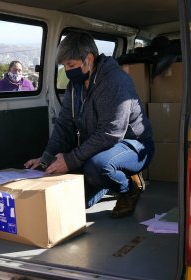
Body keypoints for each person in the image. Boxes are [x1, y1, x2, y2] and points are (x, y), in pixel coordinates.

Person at [24, 31, 155, 218]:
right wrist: (47, 158)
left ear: (89, 59)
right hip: (101, 147)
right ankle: (104, 180)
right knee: (77, 201)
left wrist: (70, 160)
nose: (68, 70)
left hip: (134, 145)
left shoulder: (115, 81)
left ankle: (129, 187)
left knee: (97, 167)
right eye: (64, 66)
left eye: (71, 64)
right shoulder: (76, 85)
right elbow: (64, 124)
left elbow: (111, 133)